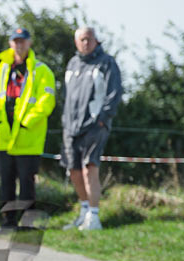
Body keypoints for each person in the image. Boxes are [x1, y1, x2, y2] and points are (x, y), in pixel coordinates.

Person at [0, 28, 56, 228]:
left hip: (28, 138)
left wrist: (27, 122)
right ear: (10, 43)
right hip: (5, 137)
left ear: (29, 43)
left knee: (26, 183)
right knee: (6, 183)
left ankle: (27, 222)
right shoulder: (1, 69)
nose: (19, 45)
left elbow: (46, 101)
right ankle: (8, 221)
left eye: (22, 41)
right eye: (15, 41)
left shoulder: (41, 70)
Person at [61, 26, 122, 231]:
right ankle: (84, 212)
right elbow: (66, 95)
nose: (85, 43)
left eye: (89, 39)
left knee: (90, 170)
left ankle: (94, 217)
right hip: (71, 126)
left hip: (94, 126)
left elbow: (114, 94)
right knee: (74, 171)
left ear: (96, 40)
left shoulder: (106, 63)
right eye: (81, 40)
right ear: (76, 42)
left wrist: (102, 119)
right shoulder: (73, 63)